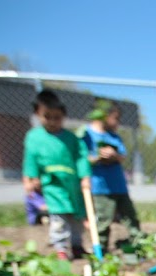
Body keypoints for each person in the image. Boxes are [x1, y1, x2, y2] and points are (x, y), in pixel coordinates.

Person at [22, 89, 91, 260]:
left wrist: (85, 177)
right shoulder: (34, 137)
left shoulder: (71, 138)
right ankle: (61, 247)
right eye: (47, 116)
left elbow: (81, 157)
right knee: (59, 216)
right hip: (52, 183)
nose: (53, 121)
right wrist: (30, 178)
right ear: (38, 114)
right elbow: (30, 159)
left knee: (76, 217)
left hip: (72, 184)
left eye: (57, 117)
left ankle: (77, 245)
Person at [82, 101, 142, 250]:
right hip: (100, 186)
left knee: (130, 216)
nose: (118, 122)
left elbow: (122, 156)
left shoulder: (114, 137)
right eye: (115, 118)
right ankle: (101, 247)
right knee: (103, 219)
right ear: (104, 116)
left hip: (119, 185)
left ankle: (138, 242)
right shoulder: (87, 135)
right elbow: (82, 158)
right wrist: (98, 157)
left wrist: (114, 155)